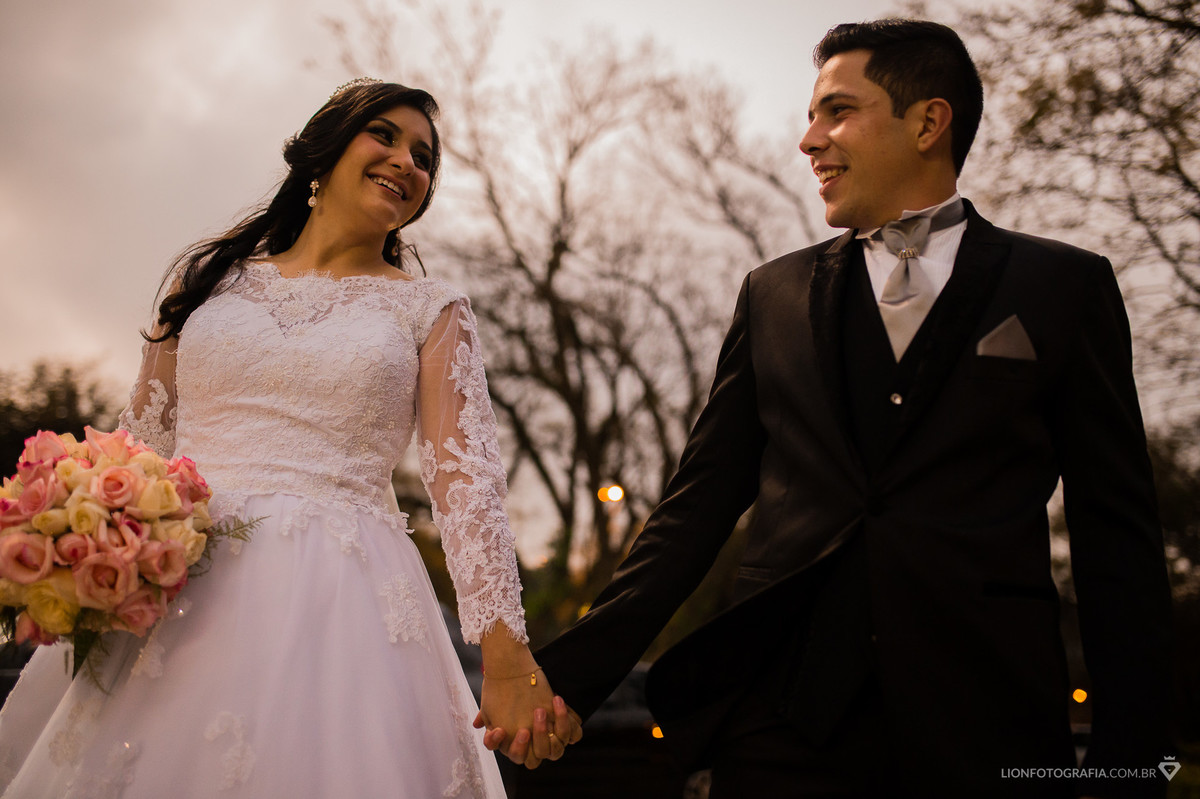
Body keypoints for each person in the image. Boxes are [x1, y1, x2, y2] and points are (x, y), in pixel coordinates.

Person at [490, 19, 1174, 798]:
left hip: (988, 719)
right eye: (811, 117)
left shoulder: (1063, 288)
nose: (809, 140)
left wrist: (1132, 762)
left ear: (928, 122)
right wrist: (566, 678)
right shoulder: (772, 293)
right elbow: (695, 510)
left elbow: (1116, 539)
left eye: (837, 112)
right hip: (782, 723)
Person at [0, 78, 577, 798]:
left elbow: (466, 485)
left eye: (425, 158)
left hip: (346, 601)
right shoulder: (208, 280)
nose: (407, 161)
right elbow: (138, 446)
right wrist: (78, 550)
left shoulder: (430, 310)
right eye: (386, 136)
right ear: (324, 148)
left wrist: (507, 654)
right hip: (179, 587)